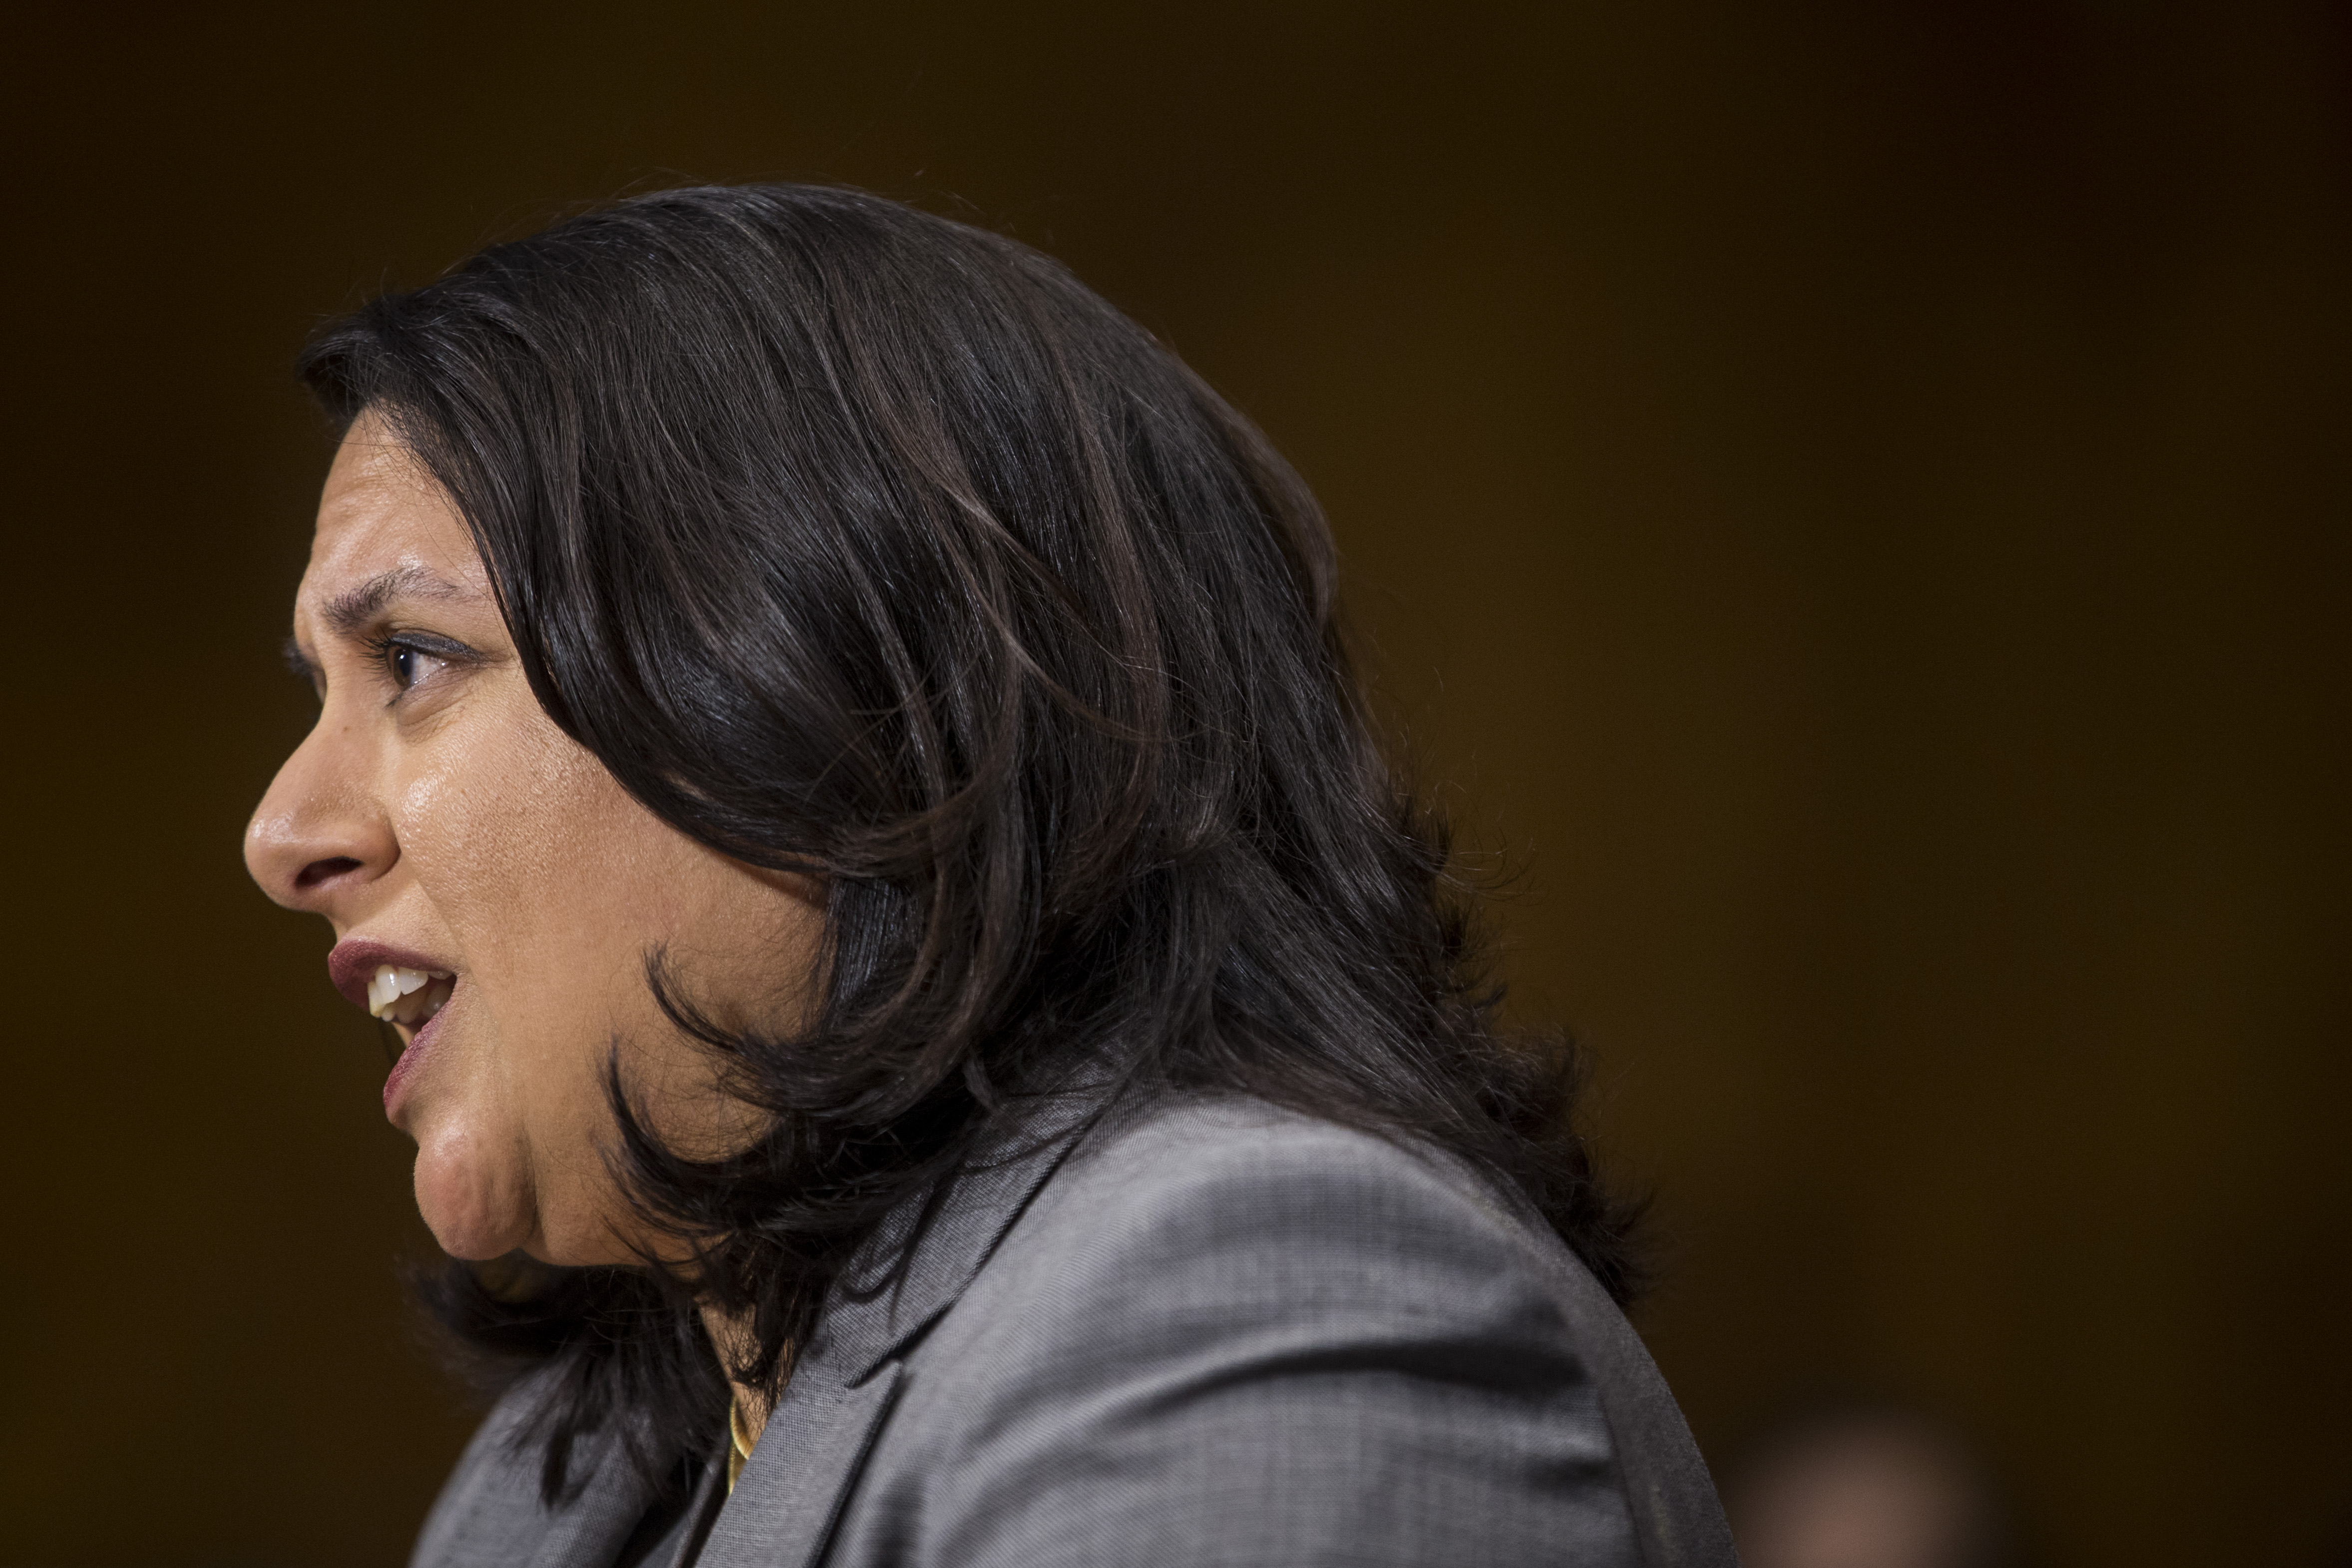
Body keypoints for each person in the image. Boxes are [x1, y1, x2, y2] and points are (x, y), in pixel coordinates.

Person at [244, 183, 1733, 1568]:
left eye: (418, 660)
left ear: (835, 685)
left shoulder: (1250, 1295)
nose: (281, 832)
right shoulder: (572, 1474)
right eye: (320, 689)